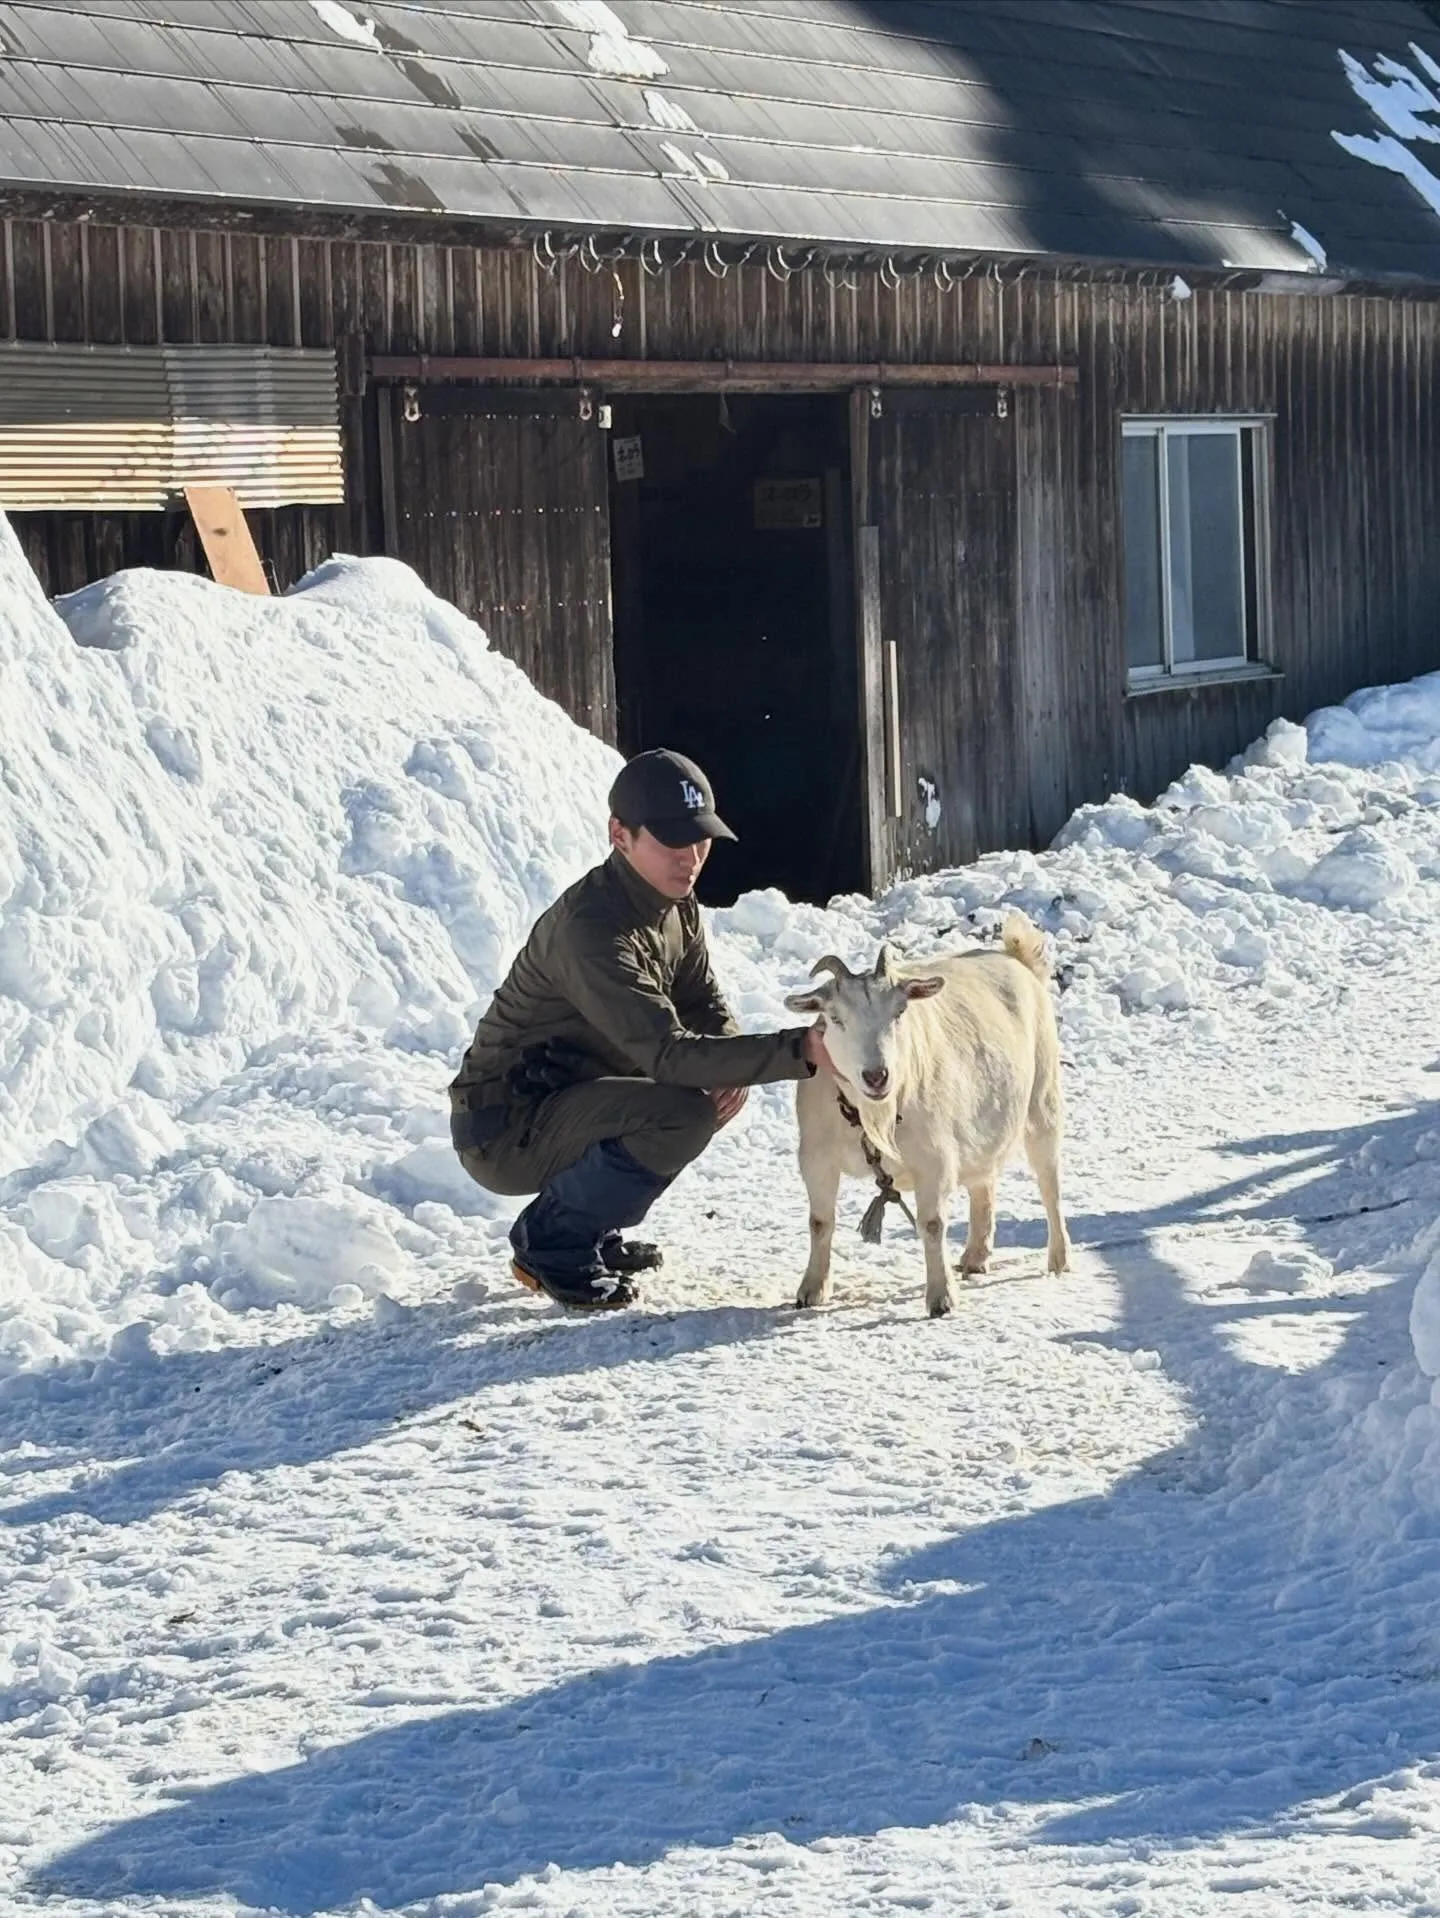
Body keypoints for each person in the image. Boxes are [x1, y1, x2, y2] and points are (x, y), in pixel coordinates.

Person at [449, 748, 826, 1311]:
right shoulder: (591, 928)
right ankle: (551, 1241)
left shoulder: (675, 904)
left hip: (570, 1100)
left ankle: (588, 1227)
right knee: (681, 1112)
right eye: (673, 841)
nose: (691, 858)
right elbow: (669, 1054)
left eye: (701, 840)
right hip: (504, 1127)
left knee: (695, 1099)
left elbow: (700, 999)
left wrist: (730, 1058)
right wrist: (803, 1050)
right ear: (619, 835)